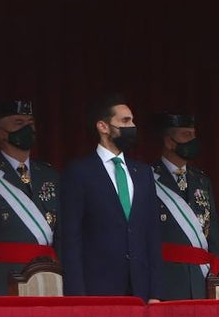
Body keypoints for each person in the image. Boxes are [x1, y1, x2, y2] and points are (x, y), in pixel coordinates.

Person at [60, 96, 162, 301]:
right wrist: (77, 295)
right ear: (103, 127)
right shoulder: (80, 172)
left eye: (132, 121)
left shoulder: (143, 173)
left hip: (140, 290)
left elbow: (152, 234)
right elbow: (70, 237)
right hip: (97, 289)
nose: (132, 126)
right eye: (125, 121)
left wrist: (155, 293)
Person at [0, 100, 60, 296]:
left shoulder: (49, 175)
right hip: (0, 282)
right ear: (1, 132)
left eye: (30, 123)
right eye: (19, 123)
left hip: (48, 279)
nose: (28, 128)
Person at [151, 113, 219, 300]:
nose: (192, 141)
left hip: (201, 279)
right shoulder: (148, 178)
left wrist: (215, 276)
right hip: (166, 279)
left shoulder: (202, 180)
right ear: (169, 141)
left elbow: (213, 233)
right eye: (186, 135)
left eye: (194, 135)